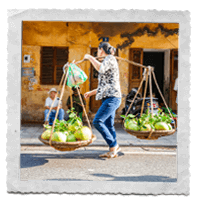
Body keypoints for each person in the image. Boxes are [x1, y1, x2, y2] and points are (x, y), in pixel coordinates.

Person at [83, 42, 122, 158]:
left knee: (97, 121)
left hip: (112, 98)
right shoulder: (108, 60)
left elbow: (100, 68)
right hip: (109, 98)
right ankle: (113, 149)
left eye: (97, 51)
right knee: (108, 124)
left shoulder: (109, 58)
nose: (97, 53)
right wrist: (91, 92)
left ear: (101, 50)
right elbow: (105, 85)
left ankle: (113, 144)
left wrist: (90, 57)